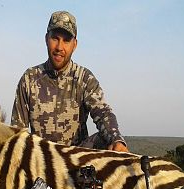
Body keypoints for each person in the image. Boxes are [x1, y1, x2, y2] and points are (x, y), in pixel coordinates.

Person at [11, 11, 129, 152]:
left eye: (66, 40)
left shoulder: (84, 78)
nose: (59, 47)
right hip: (41, 160)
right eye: (55, 38)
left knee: (108, 140)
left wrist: (116, 140)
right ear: (46, 39)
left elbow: (103, 113)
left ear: (74, 45)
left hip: (77, 159)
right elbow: (18, 132)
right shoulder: (29, 78)